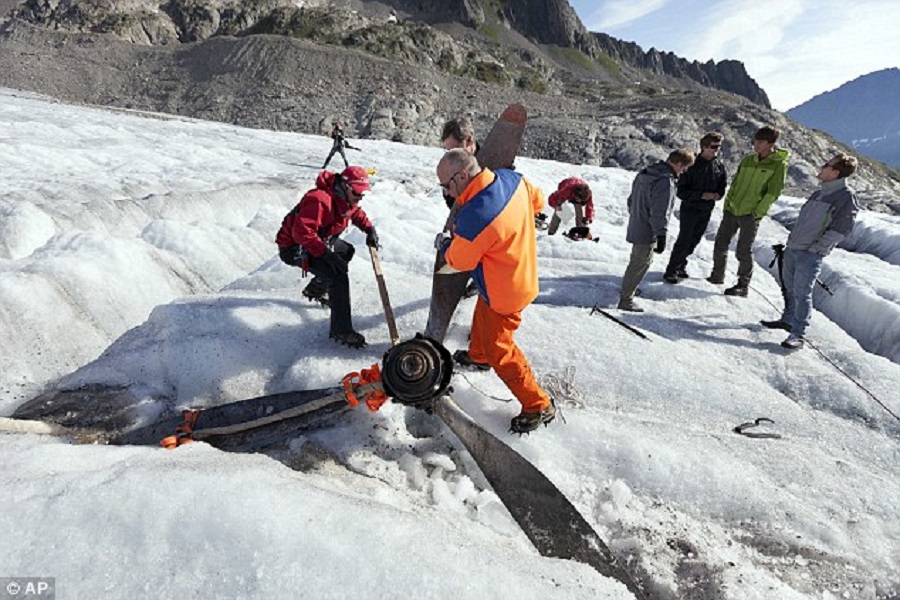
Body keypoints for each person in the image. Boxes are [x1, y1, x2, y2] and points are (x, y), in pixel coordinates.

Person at [436, 149, 555, 434]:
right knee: (483, 313)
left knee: (501, 348)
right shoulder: (511, 179)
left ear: (462, 175)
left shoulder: (477, 217)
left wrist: (444, 244)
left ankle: (537, 404)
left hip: (507, 292)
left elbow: (458, 261)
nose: (446, 192)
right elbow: (537, 201)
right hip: (514, 275)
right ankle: (478, 356)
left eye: (447, 185)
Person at [761, 153, 859, 350]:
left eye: (826, 165)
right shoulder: (818, 193)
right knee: (788, 287)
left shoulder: (846, 197)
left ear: (835, 172)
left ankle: (798, 334)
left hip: (810, 253)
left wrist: (817, 249)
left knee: (802, 293)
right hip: (793, 249)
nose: (821, 167)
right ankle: (787, 319)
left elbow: (842, 228)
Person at [276, 166, 379, 348]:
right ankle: (341, 330)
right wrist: (325, 254)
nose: (359, 198)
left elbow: (354, 212)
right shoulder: (319, 200)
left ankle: (316, 289)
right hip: (295, 247)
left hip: (319, 241)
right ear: (345, 187)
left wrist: (369, 229)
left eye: (362, 194)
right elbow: (302, 233)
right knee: (338, 275)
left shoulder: (344, 199)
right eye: (357, 193)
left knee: (346, 251)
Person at [708, 125, 789, 296]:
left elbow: (773, 192)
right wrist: (728, 204)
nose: (756, 145)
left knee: (743, 251)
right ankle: (717, 276)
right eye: (755, 141)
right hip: (732, 210)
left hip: (750, 215)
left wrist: (757, 212)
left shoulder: (778, 165)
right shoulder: (748, 160)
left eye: (761, 142)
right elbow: (736, 184)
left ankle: (742, 285)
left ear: (770, 144)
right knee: (720, 244)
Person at [422, 118, 481, 343]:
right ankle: (436, 335)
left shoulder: (488, 164)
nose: (449, 154)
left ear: (468, 142)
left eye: (453, 148)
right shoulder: (452, 167)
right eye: (446, 149)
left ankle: (481, 345)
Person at [618, 148, 695, 312]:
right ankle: (626, 298)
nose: (685, 171)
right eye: (685, 167)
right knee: (641, 263)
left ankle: (629, 288)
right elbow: (660, 211)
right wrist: (661, 233)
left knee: (636, 260)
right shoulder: (664, 181)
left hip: (637, 222)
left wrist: (637, 217)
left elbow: (631, 201)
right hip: (648, 229)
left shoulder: (646, 173)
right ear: (679, 164)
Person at [663, 132, 728, 283]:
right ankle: (671, 270)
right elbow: (682, 191)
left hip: (707, 210)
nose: (716, 150)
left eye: (718, 147)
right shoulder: (691, 165)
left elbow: (722, 186)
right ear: (704, 147)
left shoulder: (719, 165)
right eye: (713, 146)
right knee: (685, 239)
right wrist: (701, 195)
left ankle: (681, 265)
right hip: (690, 208)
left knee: (695, 240)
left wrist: (718, 195)